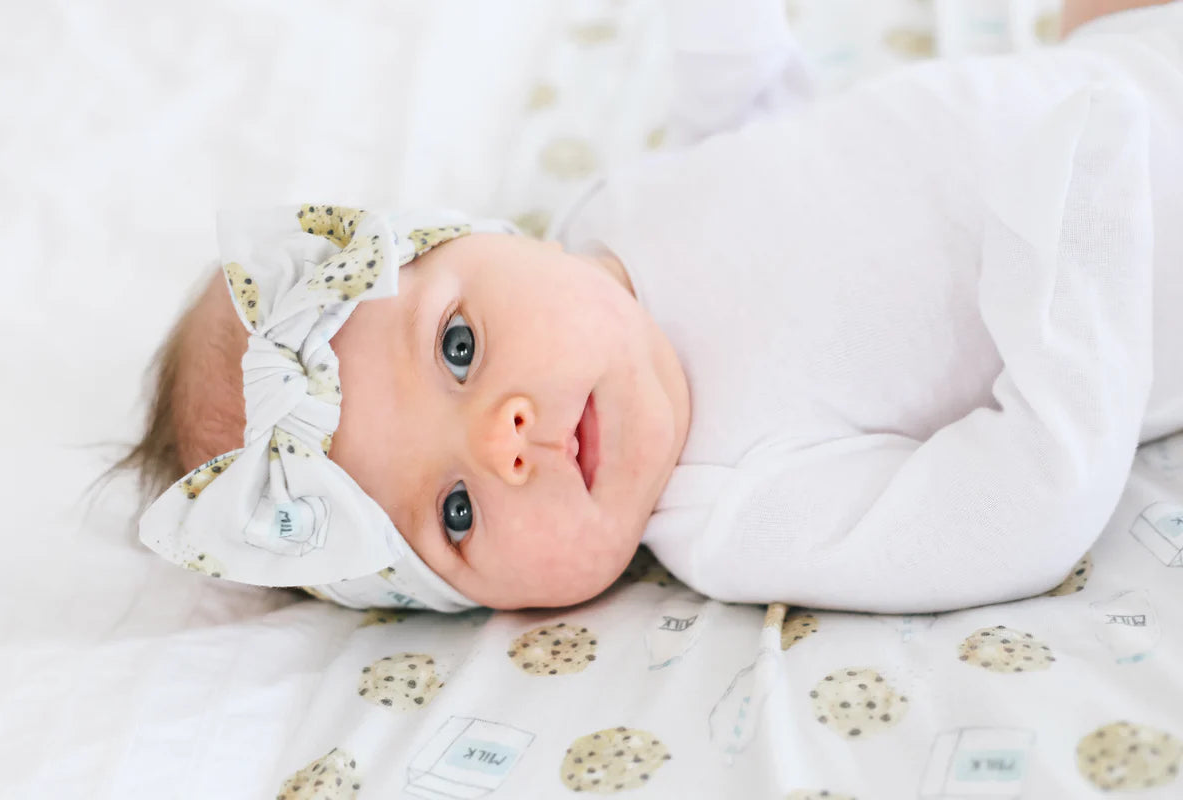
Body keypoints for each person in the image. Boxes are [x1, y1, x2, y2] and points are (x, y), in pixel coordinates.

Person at [115, 0, 1183, 613]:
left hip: (1110, 63)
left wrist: (726, 44)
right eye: (453, 512)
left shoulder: (611, 216)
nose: (505, 440)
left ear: (492, 234)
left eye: (456, 345)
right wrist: (1080, 240)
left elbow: (781, 147)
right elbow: (1022, 505)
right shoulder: (736, 510)